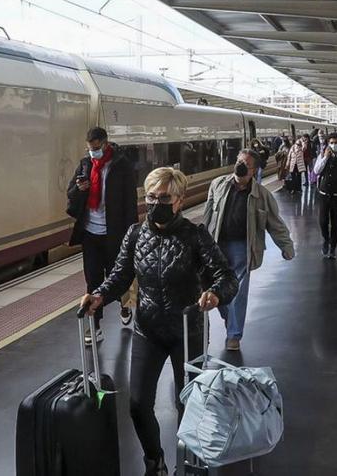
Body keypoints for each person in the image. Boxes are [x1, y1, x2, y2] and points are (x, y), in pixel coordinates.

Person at [79, 167, 237, 476]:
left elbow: (227, 277)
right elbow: (120, 276)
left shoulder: (195, 235)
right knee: (137, 405)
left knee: (187, 406)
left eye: (164, 197)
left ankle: (189, 462)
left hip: (186, 332)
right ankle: (155, 461)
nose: (156, 204)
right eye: (151, 197)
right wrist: (98, 296)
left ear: (179, 201)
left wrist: (216, 294)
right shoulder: (135, 234)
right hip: (147, 329)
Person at [201, 149, 296, 350]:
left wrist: (286, 246)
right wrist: (199, 243)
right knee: (216, 288)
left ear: (254, 170)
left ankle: (234, 335)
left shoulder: (262, 196)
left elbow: (275, 223)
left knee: (237, 292)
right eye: (239, 161)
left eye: (246, 164)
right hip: (217, 245)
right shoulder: (217, 185)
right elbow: (207, 216)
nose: (241, 165)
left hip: (243, 248)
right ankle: (230, 320)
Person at [67, 127, 138, 344]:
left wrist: (132, 233)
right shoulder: (85, 164)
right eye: (90, 149)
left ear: (105, 143)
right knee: (93, 280)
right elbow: (70, 198)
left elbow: (130, 202)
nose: (93, 153)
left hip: (114, 233)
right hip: (91, 233)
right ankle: (95, 325)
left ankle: (125, 305)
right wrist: (80, 189)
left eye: (96, 148)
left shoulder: (121, 165)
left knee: (119, 275)